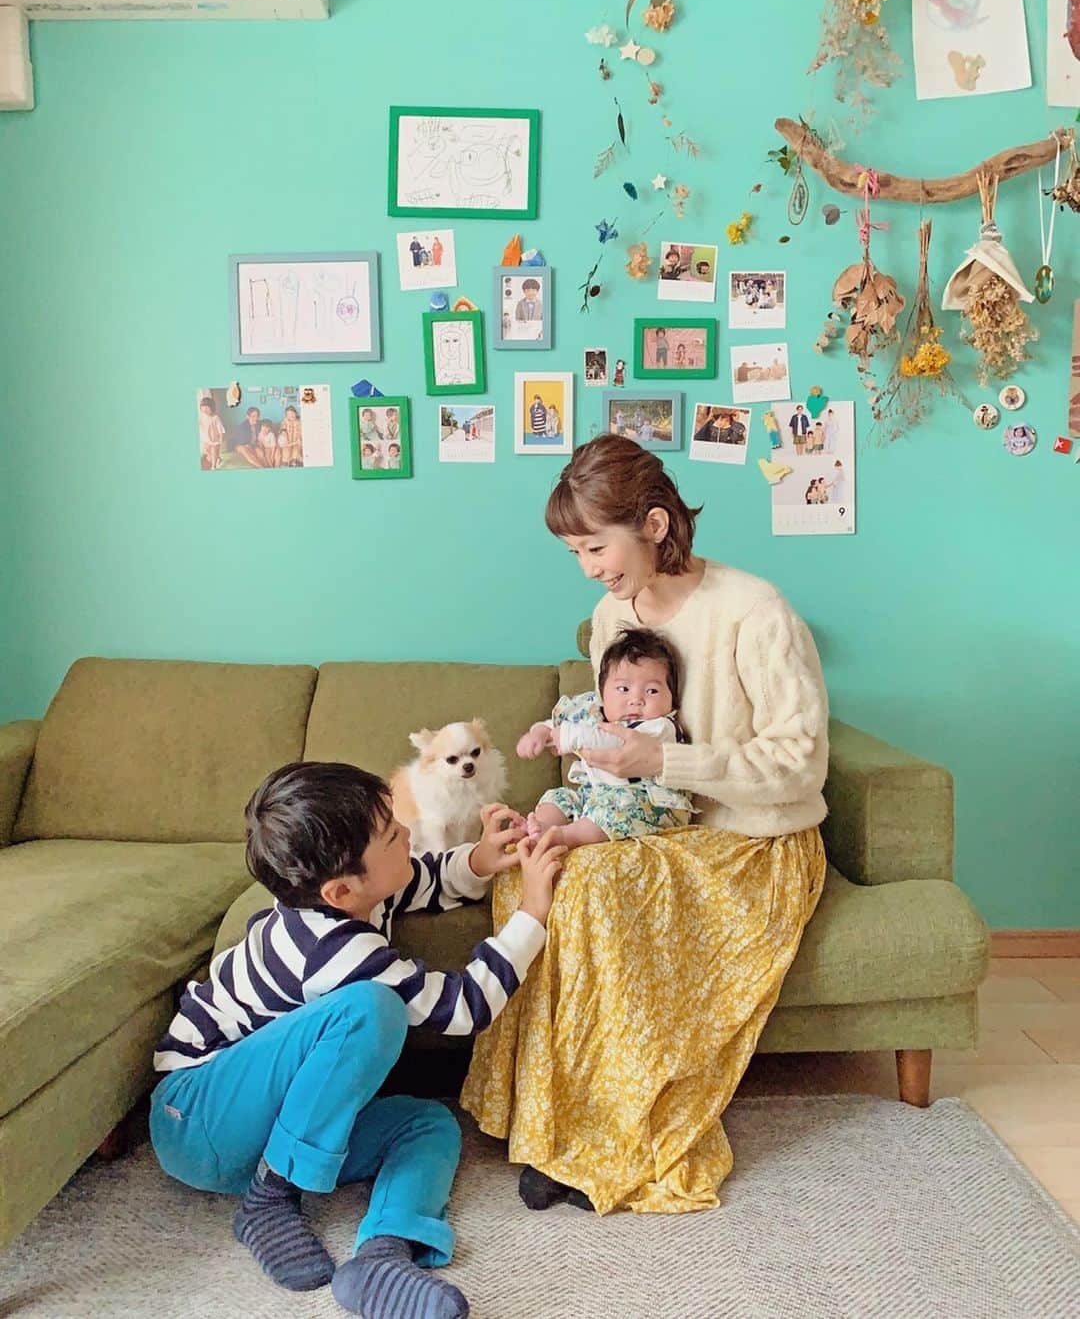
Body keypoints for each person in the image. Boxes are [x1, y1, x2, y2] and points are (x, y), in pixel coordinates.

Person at [461, 434, 828, 1217]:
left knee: (591, 894)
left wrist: (662, 765)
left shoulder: (754, 611)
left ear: (655, 524)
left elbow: (800, 764)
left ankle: (603, 1135)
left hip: (752, 843)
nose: (591, 567)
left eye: (597, 545)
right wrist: (573, 802)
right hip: (656, 830)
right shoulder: (609, 615)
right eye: (575, 552)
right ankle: (551, 1120)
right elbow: (604, 744)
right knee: (548, 864)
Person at [151, 762, 566, 1315]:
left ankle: (383, 1256)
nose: (408, 835)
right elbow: (464, 1008)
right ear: (341, 888)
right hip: (198, 1116)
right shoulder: (331, 948)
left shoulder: (351, 897)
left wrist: (481, 859)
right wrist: (532, 910)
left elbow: (421, 877)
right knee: (371, 1008)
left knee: (429, 1124)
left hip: (259, 1133)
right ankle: (270, 1199)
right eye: (393, 835)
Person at [516, 626, 693, 848]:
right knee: (560, 797)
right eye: (623, 689)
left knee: (617, 809)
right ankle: (538, 828)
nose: (636, 699)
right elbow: (556, 724)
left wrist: (571, 736)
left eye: (652, 691)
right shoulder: (591, 711)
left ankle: (563, 837)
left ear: (672, 699)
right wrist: (539, 733)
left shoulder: (661, 727)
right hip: (594, 793)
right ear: (602, 693)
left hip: (647, 801)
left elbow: (615, 741)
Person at [198, 396, 225, 471]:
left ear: (212, 408)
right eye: (203, 407)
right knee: (207, 452)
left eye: (207, 407)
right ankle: (218, 458)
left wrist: (221, 439)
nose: (205, 409)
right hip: (206, 440)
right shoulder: (201, 418)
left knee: (214, 452)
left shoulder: (215, 418)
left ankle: (213, 466)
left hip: (214, 439)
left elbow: (221, 429)